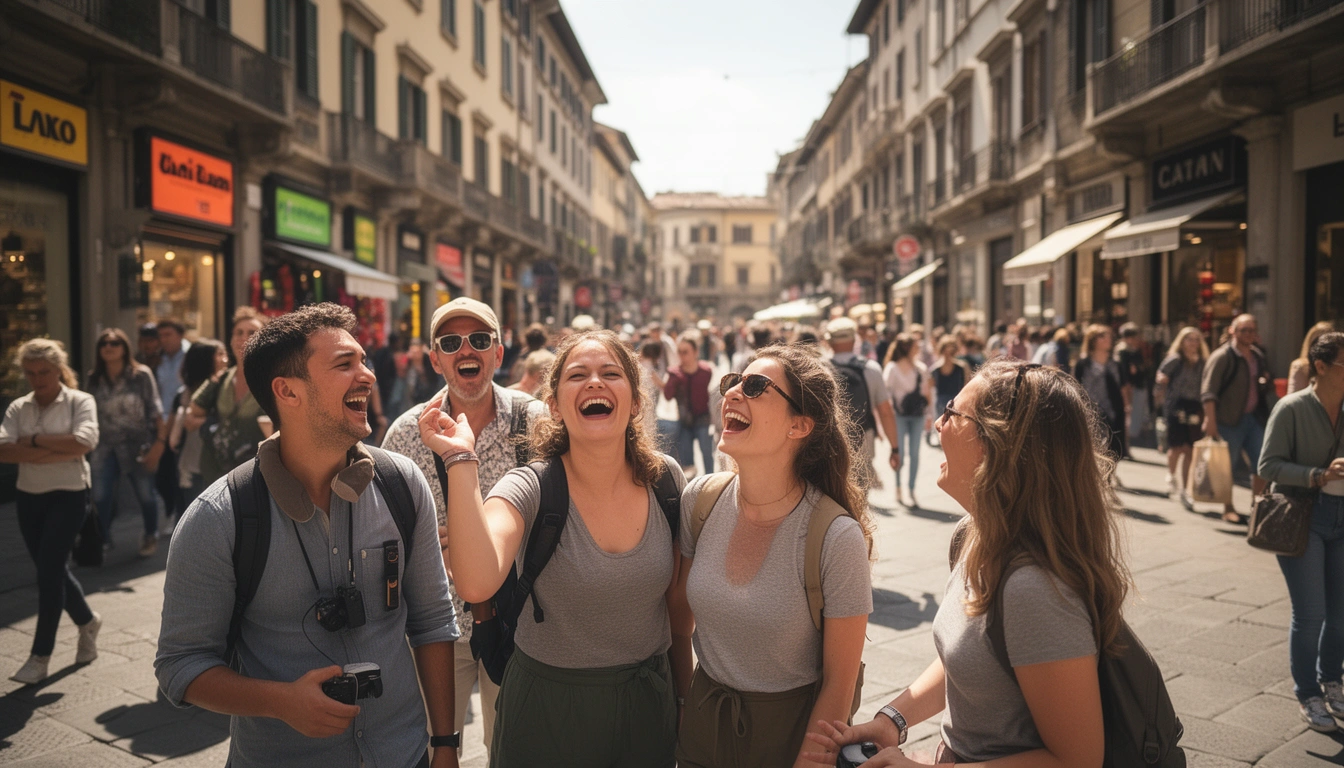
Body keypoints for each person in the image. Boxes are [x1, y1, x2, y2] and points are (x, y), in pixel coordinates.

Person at [154, 303, 460, 768]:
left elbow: (434, 622)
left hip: (404, 752)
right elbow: (181, 666)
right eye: (345, 364)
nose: (369, 376)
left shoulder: (401, 483)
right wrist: (281, 701)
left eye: (364, 360)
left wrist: (444, 746)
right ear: (287, 392)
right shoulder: (218, 517)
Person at [805, 361, 1131, 768]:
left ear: (997, 443)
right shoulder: (974, 535)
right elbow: (973, 660)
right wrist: (893, 719)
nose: (938, 425)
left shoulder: (1036, 589)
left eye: (951, 413)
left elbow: (1076, 759)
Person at [421, 329, 690, 767]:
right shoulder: (529, 485)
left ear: (637, 402)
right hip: (546, 714)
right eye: (577, 375)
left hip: (647, 708)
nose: (595, 383)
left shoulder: (667, 481)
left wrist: (683, 700)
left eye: (610, 373)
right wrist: (459, 459)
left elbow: (679, 615)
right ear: (555, 405)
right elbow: (475, 580)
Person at [675, 344, 873, 766]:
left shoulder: (836, 537)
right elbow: (677, 625)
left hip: (789, 742)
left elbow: (839, 686)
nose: (731, 393)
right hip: (701, 732)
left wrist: (808, 761)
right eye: (733, 383)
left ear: (799, 426)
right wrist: (680, 708)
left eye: (755, 386)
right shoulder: (700, 500)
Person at [382, 297, 547, 758]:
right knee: (436, 749)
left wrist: (493, 543)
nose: (465, 350)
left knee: (512, 750)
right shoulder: (406, 434)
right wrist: (428, 546)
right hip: (438, 627)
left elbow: (563, 513)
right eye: (451, 342)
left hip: (520, 620)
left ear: (498, 353)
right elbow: (380, 535)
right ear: (435, 359)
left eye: (479, 340)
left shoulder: (533, 422)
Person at [1258, 330, 1344, 733]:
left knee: (1340, 614)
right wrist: (1318, 474)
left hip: (1342, 517)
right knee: (1312, 613)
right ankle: (1308, 692)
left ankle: (1332, 681)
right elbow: (1268, 466)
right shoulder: (1291, 408)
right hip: (1301, 516)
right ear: (1321, 367)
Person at [0, 339, 101, 684]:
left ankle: (40, 655)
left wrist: (32, 443)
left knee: (48, 573)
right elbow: (3, 451)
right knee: (51, 568)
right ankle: (88, 622)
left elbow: (84, 442)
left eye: (44, 371)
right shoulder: (19, 407)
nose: (37, 378)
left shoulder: (79, 401)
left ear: (59, 369)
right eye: (30, 372)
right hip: (30, 496)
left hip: (70, 494)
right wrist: (59, 447)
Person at [86, 328, 167, 556]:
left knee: (146, 495)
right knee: (100, 495)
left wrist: (159, 443)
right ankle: (103, 538)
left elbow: (155, 409)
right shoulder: (94, 378)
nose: (109, 348)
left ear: (124, 348)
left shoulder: (141, 375)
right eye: (104, 344)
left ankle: (150, 534)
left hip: (137, 444)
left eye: (114, 343)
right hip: (104, 446)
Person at [1202, 313, 1277, 524]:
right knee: (1228, 468)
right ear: (1232, 331)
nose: (1248, 334)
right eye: (1243, 330)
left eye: (1252, 330)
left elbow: (1265, 382)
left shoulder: (1258, 355)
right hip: (1228, 420)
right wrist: (1211, 421)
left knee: (1261, 464)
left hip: (1254, 419)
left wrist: (1266, 382)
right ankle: (1228, 508)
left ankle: (1258, 507)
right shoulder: (1222, 356)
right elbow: (1208, 391)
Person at [183, 307, 268, 486]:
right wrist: (214, 423)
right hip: (216, 474)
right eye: (239, 332)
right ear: (231, 340)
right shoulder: (221, 378)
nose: (244, 338)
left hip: (257, 476)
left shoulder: (274, 380)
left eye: (252, 332)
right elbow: (192, 413)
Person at [826, 317, 900, 492]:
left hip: (828, 443)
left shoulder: (819, 369)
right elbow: (885, 411)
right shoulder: (871, 368)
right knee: (860, 495)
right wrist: (895, 448)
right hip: (863, 440)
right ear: (854, 340)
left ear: (829, 341)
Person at [168, 339, 226, 514]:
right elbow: (179, 430)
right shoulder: (186, 394)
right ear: (206, 360)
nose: (226, 359)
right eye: (220, 354)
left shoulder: (228, 388)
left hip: (221, 463)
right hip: (193, 465)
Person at [1155, 327, 1209, 509]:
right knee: (1177, 446)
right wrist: (1161, 385)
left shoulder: (1203, 362)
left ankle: (1186, 489)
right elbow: (1160, 377)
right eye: (1189, 339)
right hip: (1175, 406)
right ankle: (1171, 475)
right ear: (1182, 341)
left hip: (1194, 406)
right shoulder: (1175, 360)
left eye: (1196, 339)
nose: (1193, 343)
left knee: (1190, 449)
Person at [883, 335, 933, 508]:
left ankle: (911, 489)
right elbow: (886, 394)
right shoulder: (892, 368)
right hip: (899, 416)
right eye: (915, 347)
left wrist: (929, 415)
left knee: (915, 453)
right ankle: (898, 487)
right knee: (900, 453)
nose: (918, 349)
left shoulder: (920, 368)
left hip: (917, 415)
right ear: (907, 348)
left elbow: (926, 393)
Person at [154, 319, 191, 533]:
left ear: (180, 334)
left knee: (177, 473)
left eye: (168, 334)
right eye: (161, 335)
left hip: (180, 421)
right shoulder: (158, 359)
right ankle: (171, 511)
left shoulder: (189, 355)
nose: (164, 339)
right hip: (161, 423)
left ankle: (177, 516)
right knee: (162, 476)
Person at [1074, 324, 1129, 462]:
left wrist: (1127, 405)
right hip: (1090, 409)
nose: (1107, 339)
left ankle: (1109, 476)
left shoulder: (1115, 363)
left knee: (1113, 446)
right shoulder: (1083, 363)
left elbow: (1123, 386)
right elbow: (1076, 385)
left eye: (1109, 336)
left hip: (1112, 409)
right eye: (1102, 336)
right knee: (1093, 445)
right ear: (1092, 340)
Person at [666, 331, 716, 477]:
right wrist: (673, 380)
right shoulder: (675, 373)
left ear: (695, 352)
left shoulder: (706, 371)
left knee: (708, 457)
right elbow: (668, 396)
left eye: (685, 352)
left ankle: (712, 487)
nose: (682, 356)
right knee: (687, 463)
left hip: (703, 419)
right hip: (684, 422)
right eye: (679, 352)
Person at [929, 336, 970, 449]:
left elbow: (967, 385)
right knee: (943, 431)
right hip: (941, 402)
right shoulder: (935, 369)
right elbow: (930, 388)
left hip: (957, 401)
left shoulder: (961, 367)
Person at [1116, 323, 1150, 445]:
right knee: (1129, 417)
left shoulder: (1134, 350)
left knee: (1133, 418)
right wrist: (1127, 388)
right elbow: (1125, 372)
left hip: (1136, 386)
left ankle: (1127, 444)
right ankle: (1125, 445)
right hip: (1130, 388)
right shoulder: (1123, 351)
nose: (1138, 340)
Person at [1289, 321, 1335, 395]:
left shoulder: (1337, 367)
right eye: (1317, 342)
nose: (1321, 348)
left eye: (1327, 344)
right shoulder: (1301, 366)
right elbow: (1293, 398)